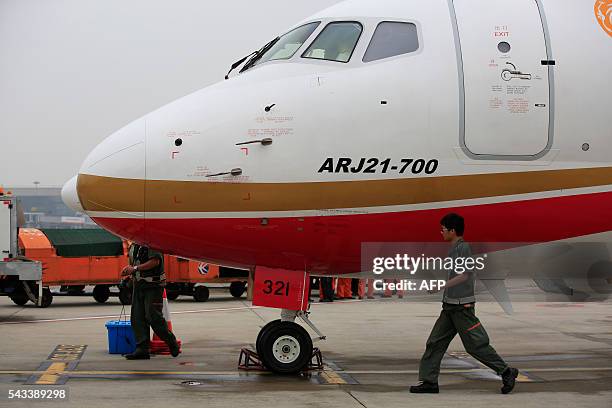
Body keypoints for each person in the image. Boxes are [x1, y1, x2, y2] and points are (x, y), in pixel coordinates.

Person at [410, 213, 518, 394]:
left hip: (462, 307)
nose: (441, 232)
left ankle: (506, 372)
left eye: (443, 228)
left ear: (453, 230)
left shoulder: (463, 248)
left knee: (475, 345)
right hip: (450, 305)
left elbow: (464, 275)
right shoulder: (454, 249)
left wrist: (439, 285)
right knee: (435, 343)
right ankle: (429, 382)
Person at [120, 244, 180, 359]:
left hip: (153, 286)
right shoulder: (134, 245)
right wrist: (130, 276)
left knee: (153, 316)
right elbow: (135, 264)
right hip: (139, 285)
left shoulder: (150, 242)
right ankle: (142, 349)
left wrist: (135, 269)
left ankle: (171, 341)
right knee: (137, 318)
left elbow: (155, 262)